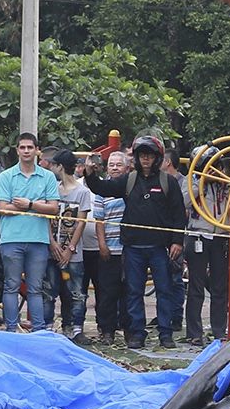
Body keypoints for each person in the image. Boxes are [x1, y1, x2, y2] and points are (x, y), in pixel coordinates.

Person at [87, 135, 186, 348]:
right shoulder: (128, 180)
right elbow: (102, 188)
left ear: (157, 158)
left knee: (164, 290)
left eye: (149, 155)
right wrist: (90, 173)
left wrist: (177, 241)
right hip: (132, 248)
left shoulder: (167, 182)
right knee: (133, 292)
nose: (146, 159)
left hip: (161, 248)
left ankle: (165, 334)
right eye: (142, 155)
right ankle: (137, 333)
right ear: (137, 158)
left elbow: (179, 214)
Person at [0, 132, 59, 332]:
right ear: (17, 150)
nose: (26, 151)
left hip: (38, 239)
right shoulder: (6, 176)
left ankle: (38, 330)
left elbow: (54, 208)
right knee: (11, 286)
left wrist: (27, 203)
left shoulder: (48, 176)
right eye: (22, 147)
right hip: (11, 239)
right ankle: (11, 329)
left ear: (37, 150)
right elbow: (2, 207)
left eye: (30, 147)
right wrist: (36, 205)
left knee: (35, 289)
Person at [182, 149, 230, 343]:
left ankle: (219, 330)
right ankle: (194, 333)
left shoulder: (224, 182)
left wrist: (225, 182)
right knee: (196, 285)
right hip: (198, 235)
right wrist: (202, 182)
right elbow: (184, 200)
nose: (213, 169)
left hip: (220, 236)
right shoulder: (191, 181)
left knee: (220, 285)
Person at [45, 148, 91, 338]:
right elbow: (46, 217)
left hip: (73, 253)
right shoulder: (52, 189)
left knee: (76, 292)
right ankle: (47, 326)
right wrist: (51, 243)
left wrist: (70, 248)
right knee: (49, 291)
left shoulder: (82, 192)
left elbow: (81, 222)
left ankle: (76, 327)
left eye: (54, 165)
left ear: (60, 167)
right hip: (51, 250)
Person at [90, 151, 128, 344]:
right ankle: (107, 331)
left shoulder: (132, 186)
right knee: (107, 293)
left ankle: (130, 330)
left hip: (130, 250)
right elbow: (99, 220)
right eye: (111, 164)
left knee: (130, 292)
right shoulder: (102, 190)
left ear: (126, 167)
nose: (114, 168)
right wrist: (102, 245)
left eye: (118, 165)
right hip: (109, 250)